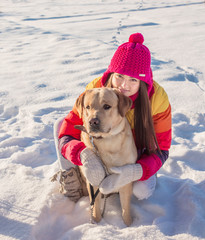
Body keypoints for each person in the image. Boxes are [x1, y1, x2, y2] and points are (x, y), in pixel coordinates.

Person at [52, 32, 171, 203]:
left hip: (135, 157)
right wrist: (83, 154)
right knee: (60, 124)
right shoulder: (95, 90)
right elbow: (67, 132)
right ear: (111, 74)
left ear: (143, 82)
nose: (124, 85)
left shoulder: (157, 100)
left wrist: (138, 170)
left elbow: (162, 149)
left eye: (133, 80)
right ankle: (72, 177)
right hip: (100, 151)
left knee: (142, 191)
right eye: (119, 76)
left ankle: (121, 183)